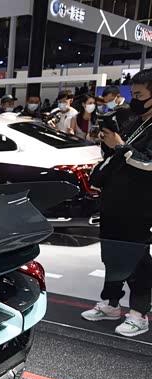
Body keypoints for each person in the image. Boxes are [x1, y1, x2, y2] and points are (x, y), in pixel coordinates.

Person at [82, 69, 152, 337]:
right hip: (114, 201)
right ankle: (111, 303)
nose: (134, 100)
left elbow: (147, 163)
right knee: (112, 255)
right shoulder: (135, 122)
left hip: (139, 206)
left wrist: (120, 146)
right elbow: (120, 157)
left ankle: (139, 313)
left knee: (136, 259)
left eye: (139, 95)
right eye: (132, 94)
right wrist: (109, 143)